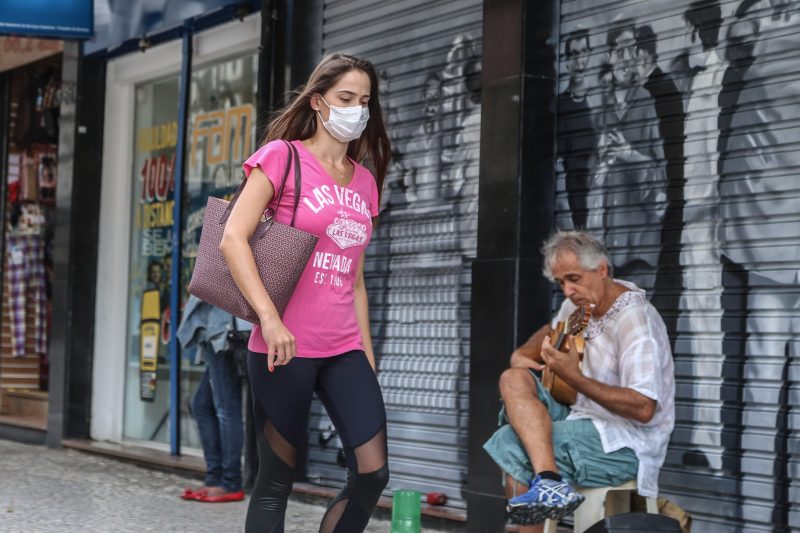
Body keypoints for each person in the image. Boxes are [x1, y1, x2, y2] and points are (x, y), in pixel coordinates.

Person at [220, 53, 391, 533]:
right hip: (281, 346)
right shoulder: (283, 157)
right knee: (275, 482)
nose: (357, 110)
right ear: (318, 102)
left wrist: (367, 355)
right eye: (345, 98)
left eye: (365, 101)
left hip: (344, 347)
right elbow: (233, 238)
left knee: (373, 472)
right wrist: (270, 320)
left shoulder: (365, 182)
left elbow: (354, 279)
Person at [483, 230, 675, 530]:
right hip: (579, 414)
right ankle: (550, 481)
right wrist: (522, 355)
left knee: (512, 443)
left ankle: (547, 483)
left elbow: (643, 408)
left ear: (601, 269)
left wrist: (573, 376)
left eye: (574, 278)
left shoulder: (636, 322)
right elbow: (551, 329)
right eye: (561, 282)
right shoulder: (577, 305)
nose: (568, 290)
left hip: (625, 440)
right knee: (513, 377)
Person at [588, 19, 666, 293]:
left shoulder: (646, 103)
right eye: (620, 52)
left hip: (640, 242)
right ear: (609, 56)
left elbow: (662, 172)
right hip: (608, 248)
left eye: (632, 51)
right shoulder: (601, 113)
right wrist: (599, 166)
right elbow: (590, 178)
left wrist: (629, 155)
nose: (626, 59)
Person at [177, 295, 247, 503]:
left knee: (225, 408)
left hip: (223, 331)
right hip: (216, 328)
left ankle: (231, 482)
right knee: (202, 404)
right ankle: (215, 478)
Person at [557, 27, 597, 230]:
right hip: (575, 194)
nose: (580, 61)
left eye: (584, 52)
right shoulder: (561, 105)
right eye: (574, 54)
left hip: (599, 188)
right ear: (566, 62)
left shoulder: (599, 99)